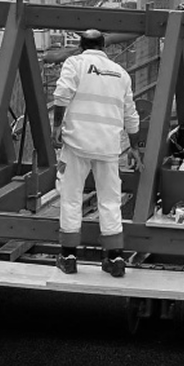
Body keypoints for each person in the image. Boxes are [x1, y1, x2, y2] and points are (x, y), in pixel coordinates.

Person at [52, 29, 142, 277]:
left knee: (70, 197)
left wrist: (56, 127)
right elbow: (131, 115)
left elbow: (61, 96)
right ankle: (115, 258)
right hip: (108, 147)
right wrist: (135, 147)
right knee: (110, 200)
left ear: (81, 46)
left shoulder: (75, 63)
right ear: (104, 46)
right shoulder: (120, 73)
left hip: (76, 144)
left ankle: (68, 257)